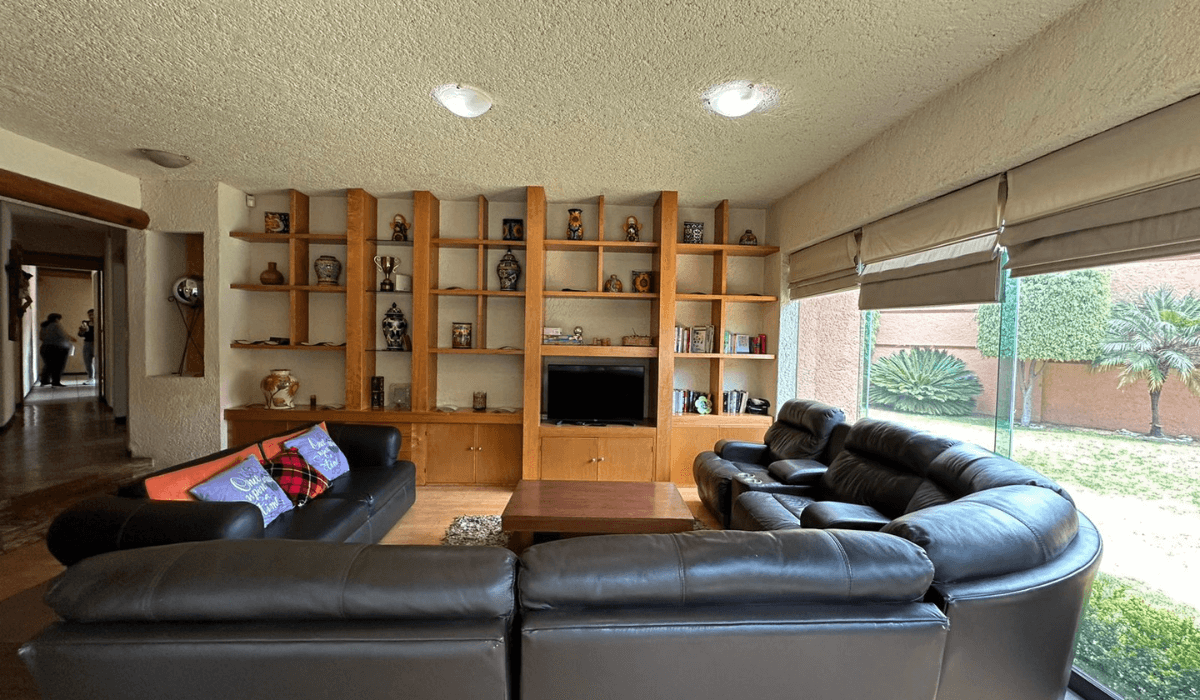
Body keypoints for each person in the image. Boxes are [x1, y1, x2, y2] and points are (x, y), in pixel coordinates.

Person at [38, 313, 76, 387]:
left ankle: (44, 381)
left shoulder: (44, 326)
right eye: (59, 319)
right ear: (56, 319)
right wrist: (72, 339)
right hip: (58, 348)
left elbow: (41, 337)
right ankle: (55, 381)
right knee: (59, 365)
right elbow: (64, 335)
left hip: (45, 347)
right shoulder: (56, 325)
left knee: (48, 365)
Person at [79, 309, 96, 384]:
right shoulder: (85, 323)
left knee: (99, 362)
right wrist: (82, 330)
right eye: (89, 315)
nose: (91, 316)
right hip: (87, 343)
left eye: (92, 314)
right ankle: (91, 378)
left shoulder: (100, 323)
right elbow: (80, 335)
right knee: (87, 361)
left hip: (97, 343)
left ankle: (99, 378)